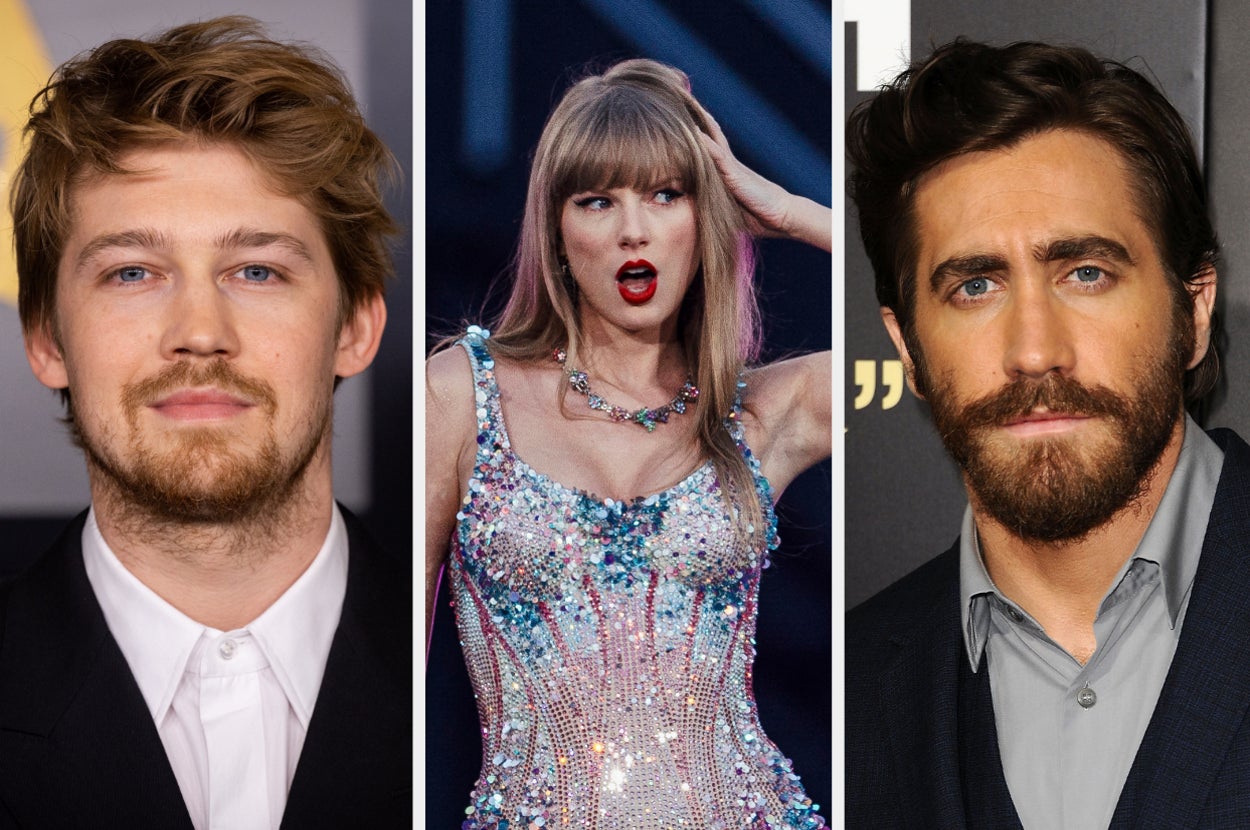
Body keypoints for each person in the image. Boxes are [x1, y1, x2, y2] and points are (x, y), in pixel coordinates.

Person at [0, 18, 410, 829]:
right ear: (47, 339)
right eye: (132, 272)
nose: (198, 328)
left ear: (357, 327)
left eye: (255, 269)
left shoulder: (476, 675)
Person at [843, 37, 1250, 829]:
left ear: (1193, 310)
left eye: (1086, 273)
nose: (1035, 351)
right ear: (907, 351)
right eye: (976, 285)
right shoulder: (845, 691)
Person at [426, 58, 831, 828]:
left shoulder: (761, 412)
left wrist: (788, 209)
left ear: (703, 217)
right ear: (557, 229)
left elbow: (937, 354)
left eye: (666, 194)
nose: (633, 230)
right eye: (597, 200)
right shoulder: (459, 397)